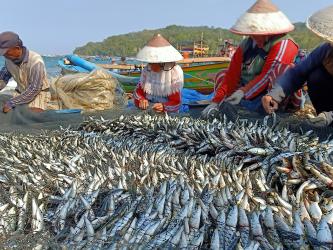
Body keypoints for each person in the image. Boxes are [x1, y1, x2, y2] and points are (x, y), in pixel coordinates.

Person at [202, 0, 301, 118]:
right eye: (251, 34)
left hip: (271, 93)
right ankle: (237, 107)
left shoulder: (285, 44)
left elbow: (267, 74)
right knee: (222, 75)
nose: (253, 37)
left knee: (284, 69)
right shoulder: (247, 44)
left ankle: (276, 112)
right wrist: (216, 101)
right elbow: (231, 75)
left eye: (257, 34)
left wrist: (242, 92)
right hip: (249, 92)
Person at [262, 5, 333, 127]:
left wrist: (330, 117)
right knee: (316, 75)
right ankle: (322, 119)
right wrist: (274, 95)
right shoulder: (326, 49)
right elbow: (297, 73)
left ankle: (326, 120)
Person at [0, 31, 50, 113]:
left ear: (17, 48)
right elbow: (3, 77)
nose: (4, 55)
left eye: (6, 52)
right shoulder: (8, 59)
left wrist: (11, 103)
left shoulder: (36, 61)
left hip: (38, 95)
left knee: (32, 115)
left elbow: (34, 89)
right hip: (19, 93)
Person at [133, 34, 184, 113]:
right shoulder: (147, 70)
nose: (151, 66)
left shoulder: (173, 73)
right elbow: (137, 93)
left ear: (163, 62)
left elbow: (176, 102)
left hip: (165, 112)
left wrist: (164, 107)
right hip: (148, 109)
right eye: (150, 63)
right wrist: (141, 100)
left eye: (154, 63)